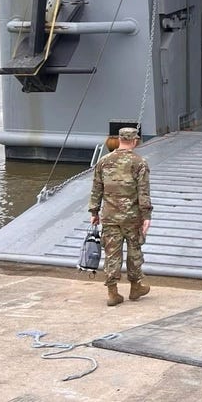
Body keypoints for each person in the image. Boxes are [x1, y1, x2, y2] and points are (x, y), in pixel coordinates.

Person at [87, 127, 153, 306]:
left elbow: (96, 189)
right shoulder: (139, 163)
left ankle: (113, 292)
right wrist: (146, 216)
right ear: (134, 141)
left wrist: (94, 212)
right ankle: (135, 287)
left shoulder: (103, 161)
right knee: (134, 252)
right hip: (132, 218)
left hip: (109, 217)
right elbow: (143, 192)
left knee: (112, 254)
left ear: (119, 139)